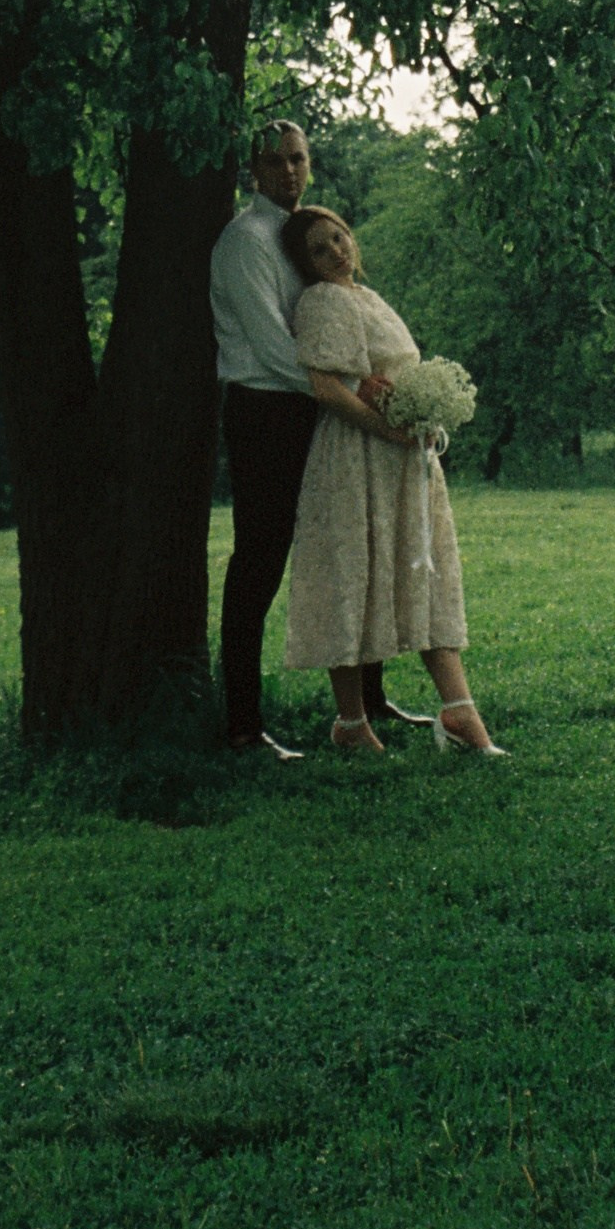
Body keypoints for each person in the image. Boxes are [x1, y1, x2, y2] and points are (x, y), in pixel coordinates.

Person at [209, 125, 415, 758]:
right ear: (254, 171)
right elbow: (275, 348)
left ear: (310, 164)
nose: (288, 172)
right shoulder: (245, 242)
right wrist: (357, 387)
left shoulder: (309, 234)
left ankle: (368, 703)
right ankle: (243, 725)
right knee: (261, 560)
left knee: (357, 543)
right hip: (267, 411)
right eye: (274, 161)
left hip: (321, 407)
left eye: (298, 159)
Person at [279, 204, 505, 757]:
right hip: (355, 456)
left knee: (425, 572)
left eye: (339, 238)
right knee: (352, 572)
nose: (335, 251)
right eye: (319, 248)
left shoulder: (369, 297)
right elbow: (328, 387)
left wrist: (422, 419)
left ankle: (459, 713)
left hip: (404, 457)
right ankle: (351, 722)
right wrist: (389, 429)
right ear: (305, 265)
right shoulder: (322, 300)